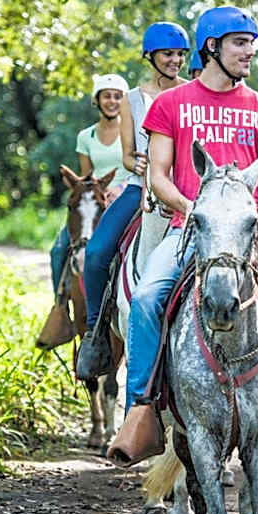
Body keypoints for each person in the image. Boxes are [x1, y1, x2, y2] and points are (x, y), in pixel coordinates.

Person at [116, 5, 258, 468]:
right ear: (211, 46)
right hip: (189, 230)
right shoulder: (170, 105)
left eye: (251, 43)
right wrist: (198, 214)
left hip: (250, 234)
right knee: (148, 299)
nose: (249, 52)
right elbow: (158, 175)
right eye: (239, 42)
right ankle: (142, 410)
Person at [76, 22, 190, 378]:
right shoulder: (132, 100)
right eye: (167, 54)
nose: (175, 61)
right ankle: (95, 333)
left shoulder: (192, 93)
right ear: (150, 57)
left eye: (180, 55)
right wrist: (137, 162)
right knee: (95, 253)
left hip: (181, 186)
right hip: (138, 186)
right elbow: (127, 154)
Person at [48, 74, 131, 298]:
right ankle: (61, 303)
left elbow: (138, 167)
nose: (112, 101)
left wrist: (120, 188)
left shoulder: (133, 131)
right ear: (97, 100)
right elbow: (86, 177)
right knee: (58, 250)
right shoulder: (86, 136)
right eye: (107, 96)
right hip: (93, 203)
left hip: (124, 197)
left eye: (117, 97)